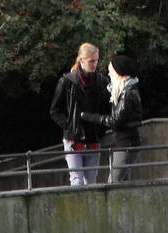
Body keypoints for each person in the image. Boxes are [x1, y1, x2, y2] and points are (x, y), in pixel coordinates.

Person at [49, 43, 109, 187]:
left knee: (91, 181)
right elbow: (55, 110)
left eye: (96, 60)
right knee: (77, 181)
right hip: (73, 140)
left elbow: (107, 110)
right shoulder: (67, 81)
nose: (95, 64)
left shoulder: (102, 82)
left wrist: (101, 130)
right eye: (91, 61)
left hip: (93, 138)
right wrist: (70, 127)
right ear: (81, 60)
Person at [86, 54, 144, 184]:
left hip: (126, 144)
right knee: (122, 182)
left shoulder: (128, 94)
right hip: (124, 142)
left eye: (111, 71)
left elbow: (115, 121)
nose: (109, 74)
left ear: (120, 73)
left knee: (114, 183)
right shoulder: (121, 91)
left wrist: (90, 117)